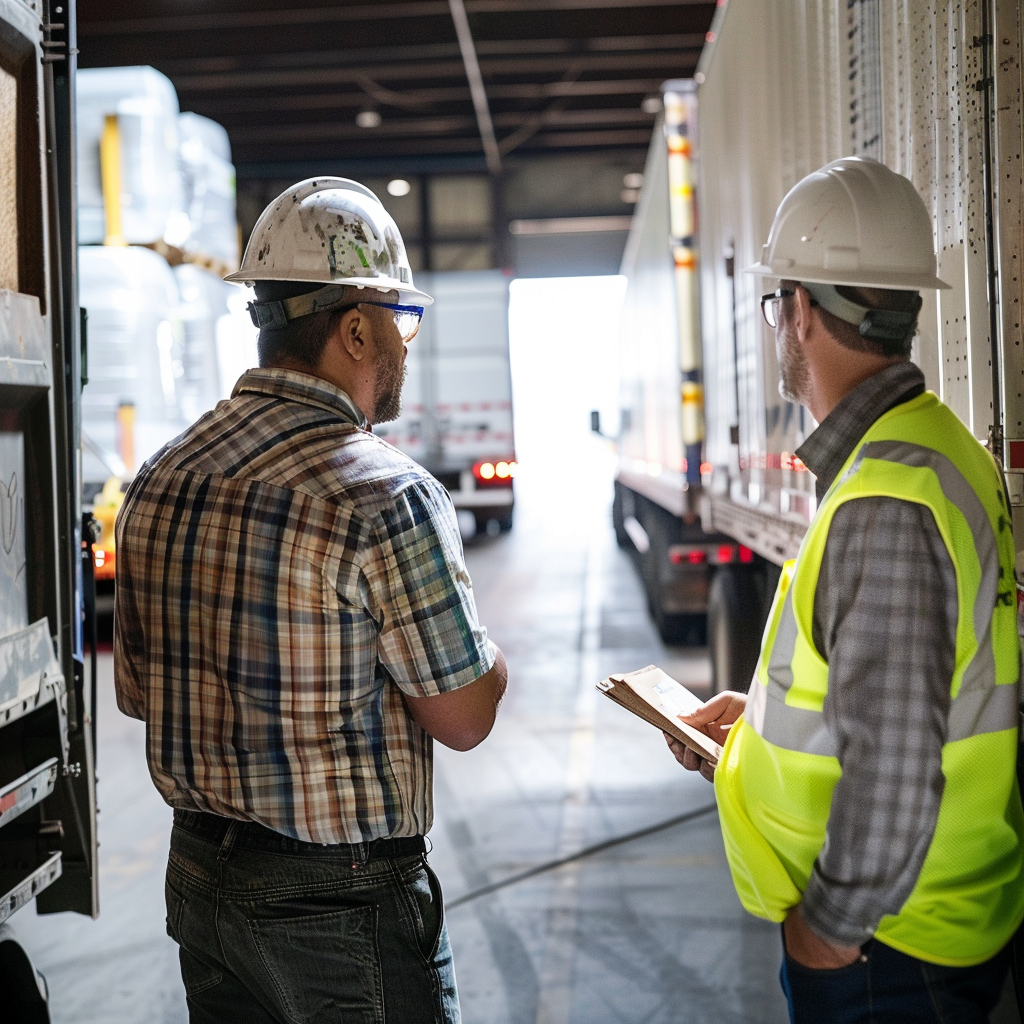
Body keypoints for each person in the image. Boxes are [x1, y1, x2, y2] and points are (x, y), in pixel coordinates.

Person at [114, 177, 507, 1024]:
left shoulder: (160, 477)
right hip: (342, 907)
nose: (406, 343)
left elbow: (141, 693)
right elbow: (466, 716)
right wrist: (487, 655)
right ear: (356, 327)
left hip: (203, 886)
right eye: (401, 320)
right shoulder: (382, 495)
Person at [666, 157, 1023, 1023]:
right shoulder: (933, 448)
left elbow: (895, 769)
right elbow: (909, 694)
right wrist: (754, 730)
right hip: (919, 928)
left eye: (774, 305)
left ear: (797, 311)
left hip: (890, 950)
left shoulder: (886, 499)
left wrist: (822, 934)